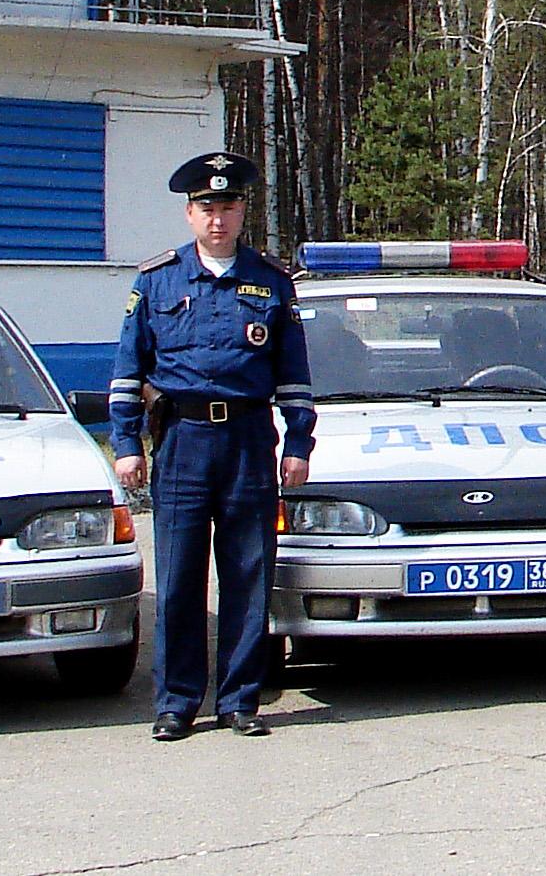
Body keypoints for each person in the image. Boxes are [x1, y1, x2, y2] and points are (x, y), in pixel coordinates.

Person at [108, 151, 314, 739]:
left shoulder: (271, 282)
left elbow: (293, 374)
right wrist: (127, 443)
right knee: (178, 577)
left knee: (249, 572)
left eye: (227, 207)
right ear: (188, 213)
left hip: (249, 438)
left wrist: (298, 442)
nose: (217, 219)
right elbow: (128, 371)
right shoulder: (157, 281)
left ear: (243, 210)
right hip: (182, 440)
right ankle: (176, 702)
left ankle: (240, 700)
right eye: (206, 208)